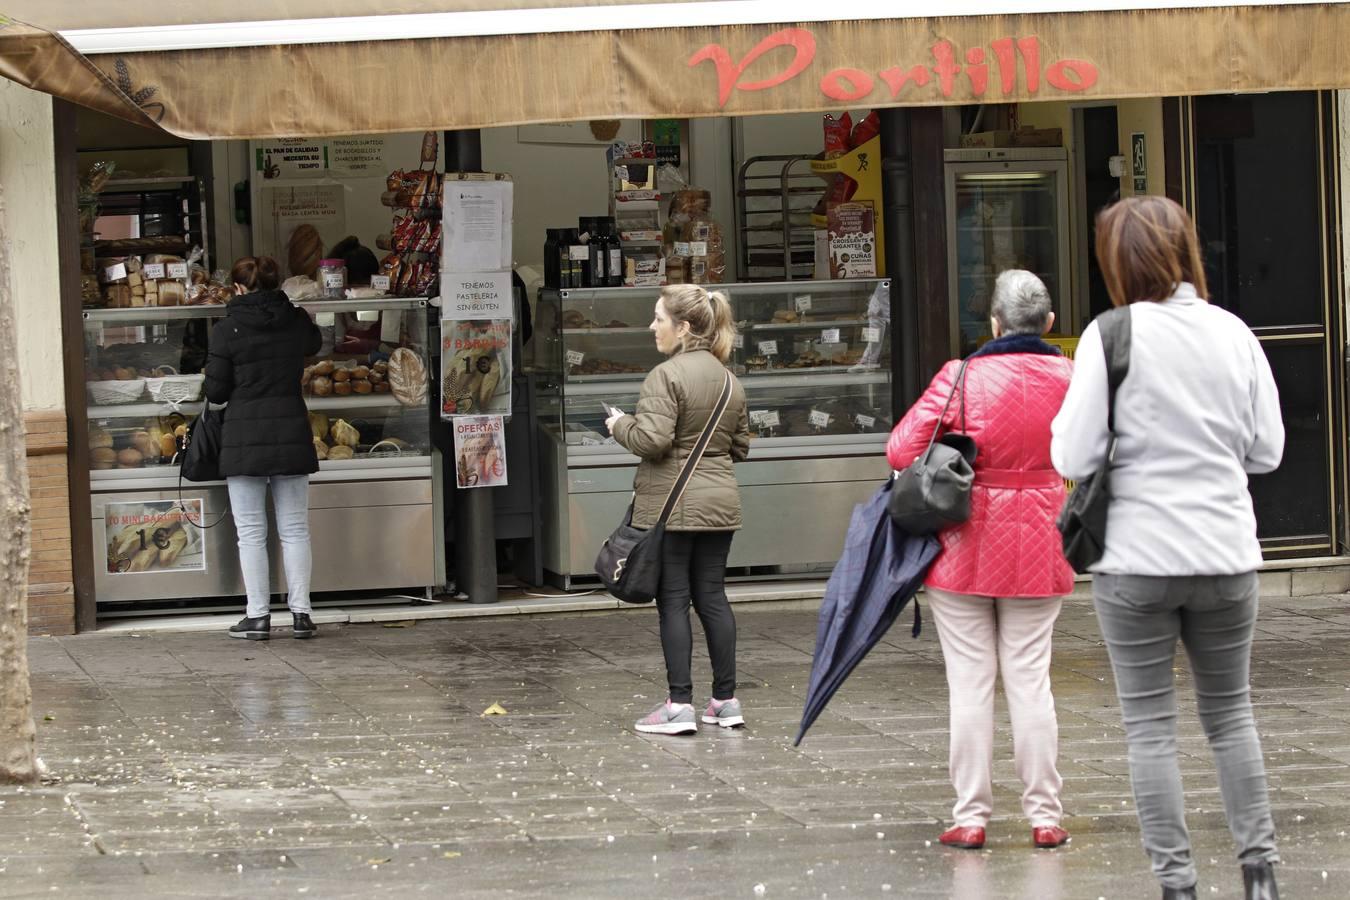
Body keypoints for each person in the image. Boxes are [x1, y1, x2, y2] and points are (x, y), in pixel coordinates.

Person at [1051, 197, 1283, 900]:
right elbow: (1267, 449)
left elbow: (1074, 449)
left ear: (1114, 262)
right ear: (1185, 251)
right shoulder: (1233, 332)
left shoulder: (1109, 336)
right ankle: (1260, 873)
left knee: (1150, 727)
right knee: (1231, 716)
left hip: (1136, 559)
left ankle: (1177, 885)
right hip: (1225, 552)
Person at [886, 269, 1074, 852]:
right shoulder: (1072, 376)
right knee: (1030, 680)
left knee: (969, 684)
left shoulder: (960, 376)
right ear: (1048, 324)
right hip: (1044, 539)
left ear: (992, 323)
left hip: (965, 544)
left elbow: (900, 449)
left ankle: (971, 817)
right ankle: (1045, 815)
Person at [604, 284, 751, 735]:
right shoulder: (731, 380)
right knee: (713, 597)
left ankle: (678, 705)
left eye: (658, 319)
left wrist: (618, 425)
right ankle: (725, 702)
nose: (652, 327)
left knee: (673, 602)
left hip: (671, 507)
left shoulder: (664, 377)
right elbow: (741, 447)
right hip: (720, 505)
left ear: (683, 327)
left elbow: (653, 441)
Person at [206, 256, 323, 641]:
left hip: (244, 436)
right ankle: (302, 614)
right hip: (291, 426)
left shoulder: (226, 329)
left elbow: (217, 391)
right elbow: (315, 344)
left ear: (238, 288)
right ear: (277, 285)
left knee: (251, 533)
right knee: (294, 530)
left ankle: (257, 616)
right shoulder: (297, 320)